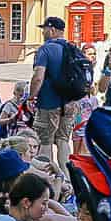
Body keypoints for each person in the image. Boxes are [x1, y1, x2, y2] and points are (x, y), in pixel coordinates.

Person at [28, 16, 83, 168]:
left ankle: (48, 178)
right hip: (70, 103)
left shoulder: (45, 49)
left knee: (45, 141)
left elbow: (38, 77)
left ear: (51, 30)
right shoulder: (73, 48)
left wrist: (31, 97)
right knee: (63, 140)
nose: (43, 32)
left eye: (44, 29)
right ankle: (66, 178)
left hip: (48, 102)